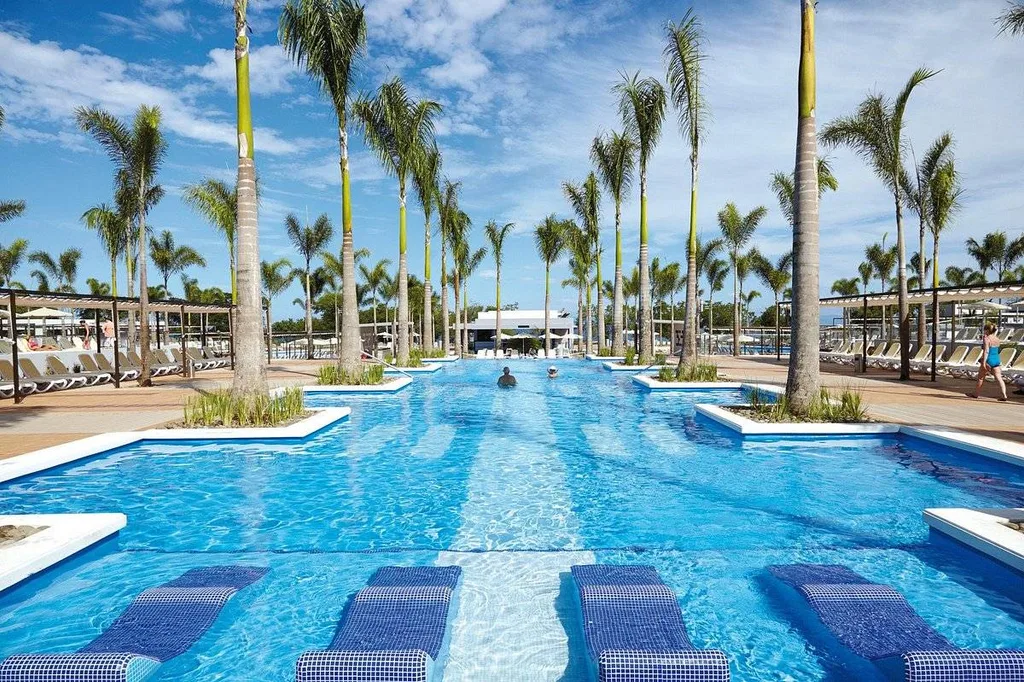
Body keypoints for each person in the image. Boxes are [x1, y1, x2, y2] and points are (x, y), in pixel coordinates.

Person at [968, 323, 1008, 402]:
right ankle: (1004, 394)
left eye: (984, 330)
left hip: (988, 359)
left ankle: (975, 394)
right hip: (996, 359)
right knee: (999, 378)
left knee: (980, 378)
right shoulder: (997, 339)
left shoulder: (987, 339)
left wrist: (983, 362)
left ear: (987, 330)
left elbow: (986, 351)